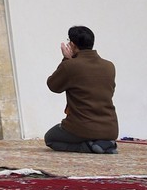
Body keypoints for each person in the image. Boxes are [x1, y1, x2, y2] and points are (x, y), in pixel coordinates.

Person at [45, 25, 118, 154]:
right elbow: (110, 90)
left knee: (50, 138)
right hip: (110, 128)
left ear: (72, 45)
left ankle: (88, 147)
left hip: (82, 127)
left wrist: (66, 59)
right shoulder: (109, 66)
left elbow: (53, 85)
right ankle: (103, 143)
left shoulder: (70, 65)